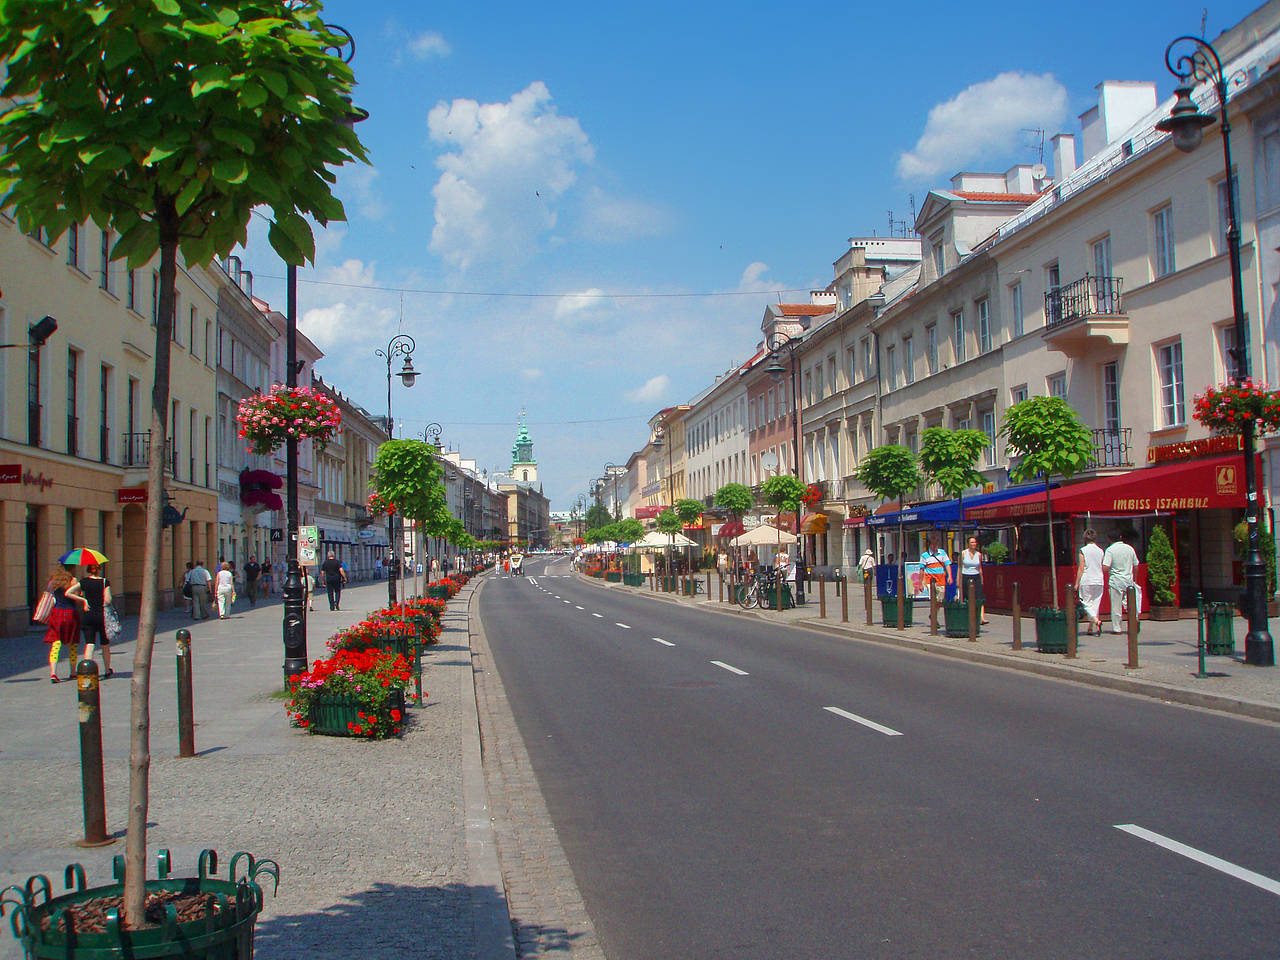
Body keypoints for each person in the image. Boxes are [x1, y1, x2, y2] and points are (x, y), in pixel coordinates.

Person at [42, 565, 86, 683]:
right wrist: (81, 591)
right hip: (71, 613)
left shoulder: (54, 581)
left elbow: (49, 594)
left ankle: (53, 673)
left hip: (57, 612)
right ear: (72, 568)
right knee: (73, 643)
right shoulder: (73, 580)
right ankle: (72, 672)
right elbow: (76, 596)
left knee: (56, 643)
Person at [78, 563, 115, 678]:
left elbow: (68, 593)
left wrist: (84, 600)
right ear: (99, 570)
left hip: (88, 615)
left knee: (90, 643)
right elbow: (108, 600)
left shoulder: (83, 582)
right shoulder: (104, 582)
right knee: (105, 644)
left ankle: (87, 670)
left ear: (88, 570)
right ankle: (107, 670)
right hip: (102, 616)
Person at [1103, 530, 1141, 634]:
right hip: (1128, 580)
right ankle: (1134, 621)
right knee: (1130, 604)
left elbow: (1106, 567)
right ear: (1120, 537)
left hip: (1116, 580)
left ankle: (1117, 628)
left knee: (1116, 606)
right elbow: (1136, 565)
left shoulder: (1110, 550)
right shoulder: (1130, 549)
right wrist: (1135, 580)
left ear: (1109, 539)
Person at [1074, 527, 1106, 636]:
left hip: (1087, 579)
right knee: (1095, 604)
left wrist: (1077, 583)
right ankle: (1091, 627)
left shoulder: (1083, 550)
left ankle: (1096, 621)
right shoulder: (1101, 551)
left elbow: (1081, 568)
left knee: (1086, 602)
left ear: (1084, 539)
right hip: (1099, 579)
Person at [959, 536, 988, 623]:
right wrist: (958, 580)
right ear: (968, 544)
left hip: (976, 576)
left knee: (980, 596)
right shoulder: (963, 553)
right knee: (966, 597)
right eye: (972, 542)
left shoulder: (978, 554)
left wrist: (981, 579)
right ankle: (968, 615)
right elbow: (960, 568)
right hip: (966, 576)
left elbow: (980, 568)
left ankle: (981, 617)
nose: (974, 544)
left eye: (975, 542)